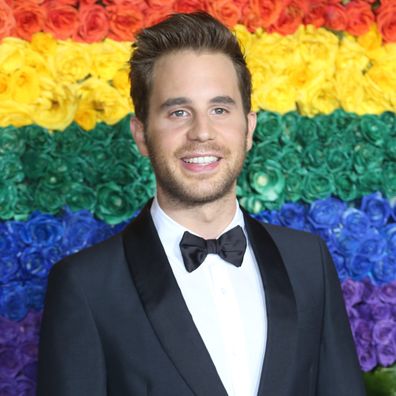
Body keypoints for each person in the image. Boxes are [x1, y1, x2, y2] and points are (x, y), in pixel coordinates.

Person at [37, 12, 366, 396]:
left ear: (249, 128)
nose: (202, 132)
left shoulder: (309, 262)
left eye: (220, 109)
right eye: (178, 112)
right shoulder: (85, 285)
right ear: (141, 134)